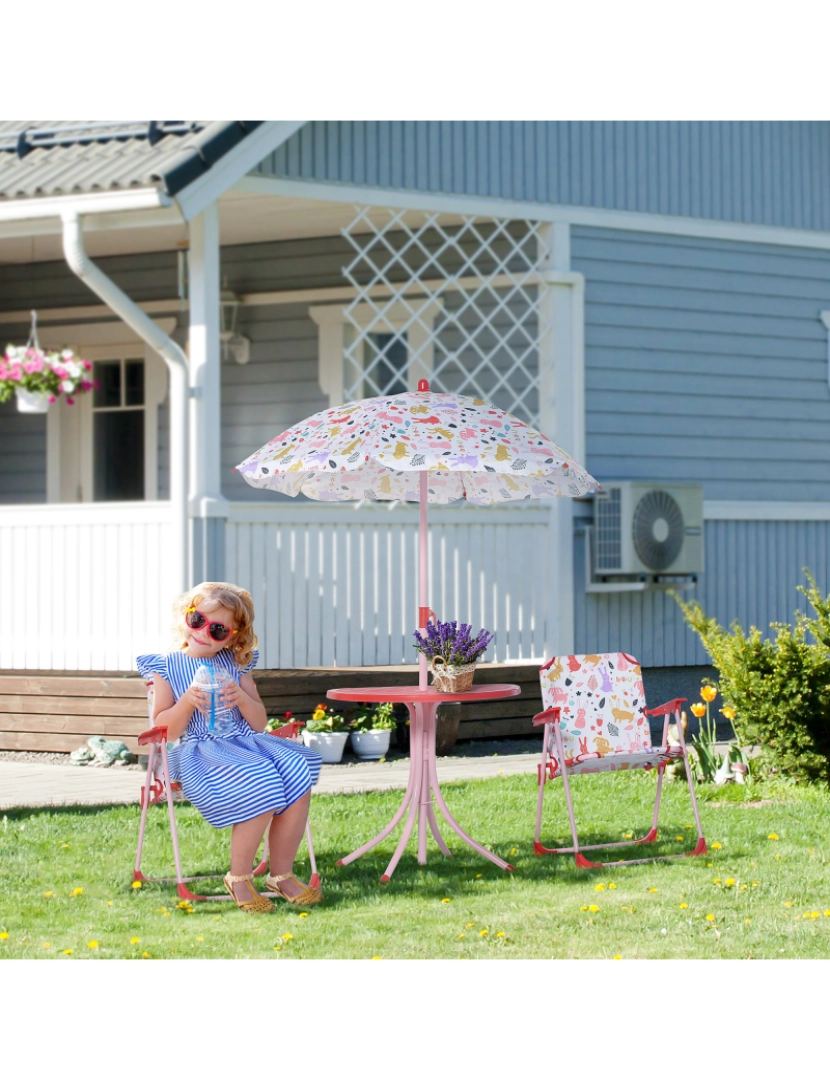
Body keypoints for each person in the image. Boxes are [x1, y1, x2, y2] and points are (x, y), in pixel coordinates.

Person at [136, 581, 323, 913]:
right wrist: (188, 702)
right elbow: (165, 728)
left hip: (245, 743)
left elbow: (258, 723)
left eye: (218, 629)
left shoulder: (236, 664)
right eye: (198, 620)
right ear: (185, 616)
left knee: (296, 772)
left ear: (235, 637)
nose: (204, 632)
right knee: (262, 781)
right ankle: (239, 877)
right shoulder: (166, 666)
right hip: (201, 752)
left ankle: (280, 873)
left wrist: (242, 698)